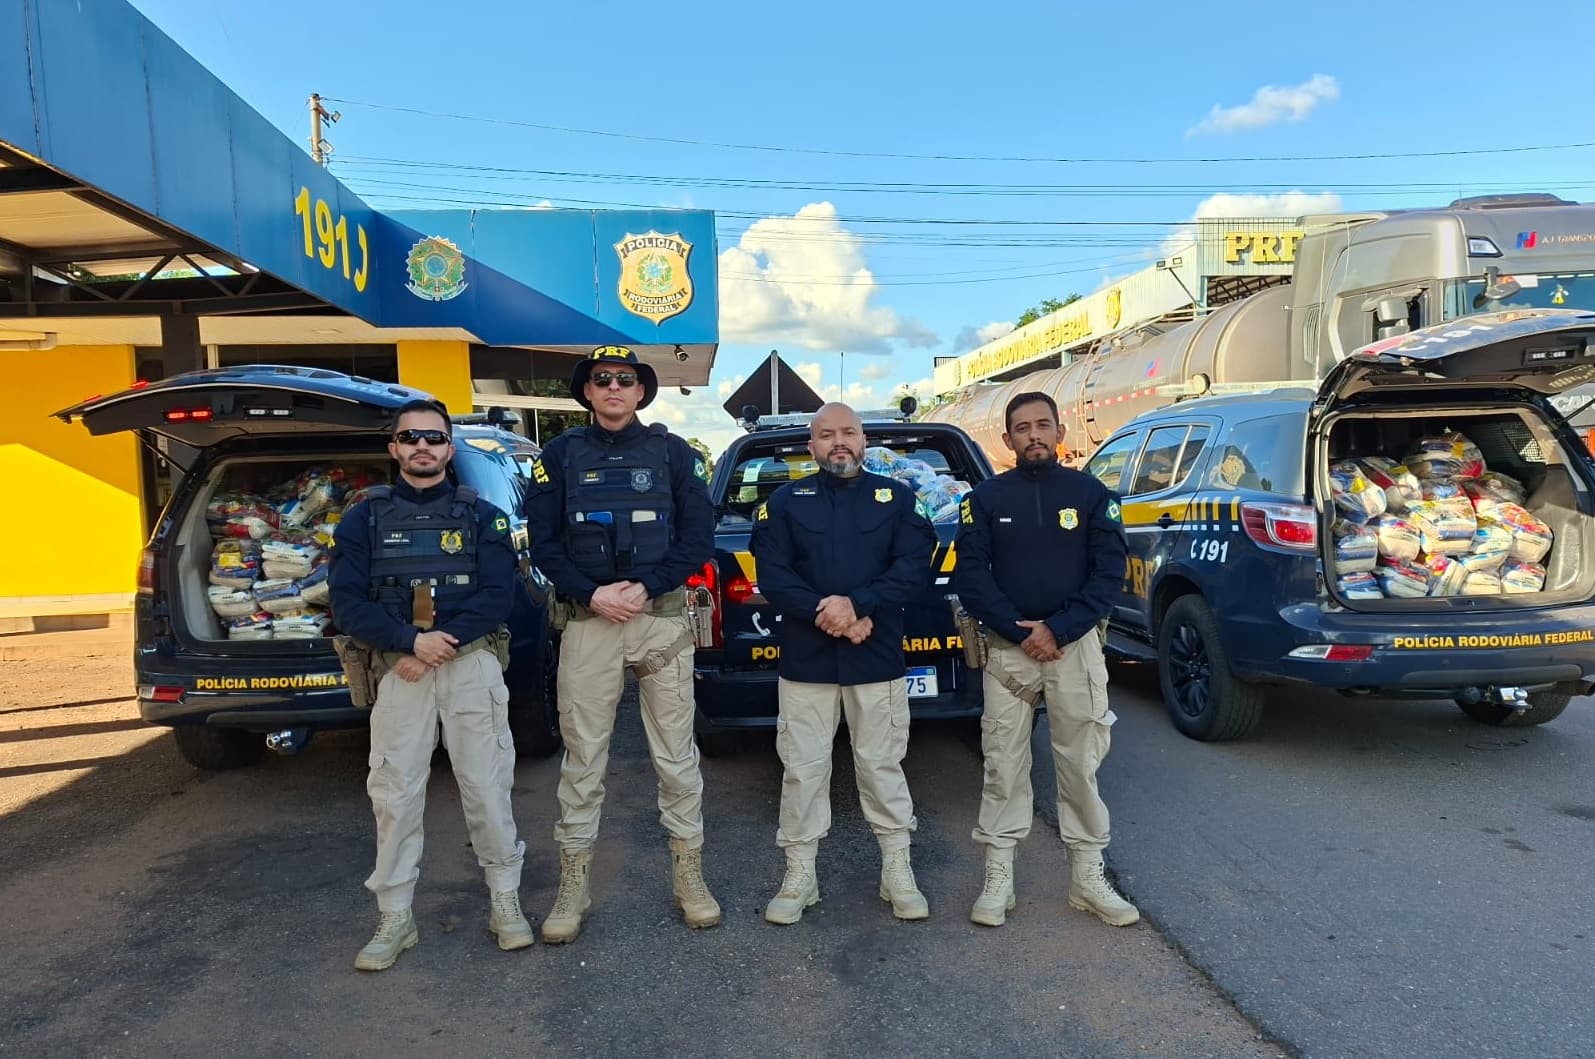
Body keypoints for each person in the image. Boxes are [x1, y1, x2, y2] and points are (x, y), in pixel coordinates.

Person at [524, 344, 719, 944]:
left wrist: (647, 585)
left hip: (659, 620)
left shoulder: (673, 454)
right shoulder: (557, 457)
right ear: (587, 391)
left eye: (625, 380)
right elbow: (545, 544)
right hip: (590, 623)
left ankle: (691, 876)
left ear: (641, 392)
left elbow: (697, 537)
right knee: (584, 760)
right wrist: (593, 593)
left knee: (676, 758)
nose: (613, 388)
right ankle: (573, 883)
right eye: (602, 379)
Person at [330, 399, 533, 972]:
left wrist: (437, 643)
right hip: (401, 670)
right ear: (394, 448)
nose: (423, 446)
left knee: (488, 788)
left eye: (435, 438)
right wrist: (406, 641)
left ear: (449, 448)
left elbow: (497, 597)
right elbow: (346, 604)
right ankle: (396, 917)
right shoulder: (362, 519)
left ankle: (505, 902)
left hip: (469, 666)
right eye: (411, 437)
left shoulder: (484, 516)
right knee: (394, 797)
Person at [952, 390, 1139, 928]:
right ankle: (999, 878)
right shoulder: (985, 500)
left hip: (1073, 651)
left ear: (1060, 432)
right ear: (1007, 439)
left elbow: (1108, 573)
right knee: (1002, 766)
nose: (1033, 435)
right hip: (1008, 655)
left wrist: (1059, 628)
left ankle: (1087, 878)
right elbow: (972, 575)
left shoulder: (1090, 494)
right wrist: (1017, 630)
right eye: (1022, 428)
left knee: (1080, 765)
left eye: (1042, 425)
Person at [750, 402, 938, 925]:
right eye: (826, 434)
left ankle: (896, 870)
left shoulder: (898, 500)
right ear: (810, 446)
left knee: (882, 765)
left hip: (875, 655)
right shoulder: (785, 503)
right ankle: (800, 874)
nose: (839, 442)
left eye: (848, 433)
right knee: (803, 769)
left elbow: (914, 569)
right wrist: (828, 612)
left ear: (864, 440)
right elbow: (773, 574)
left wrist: (858, 605)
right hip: (807, 660)